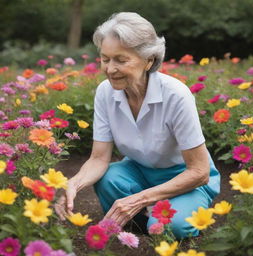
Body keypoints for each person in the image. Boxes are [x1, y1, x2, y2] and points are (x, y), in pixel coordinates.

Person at [55, 12, 220, 239]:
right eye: (105, 59)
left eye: (121, 60)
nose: (110, 69)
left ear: (149, 60)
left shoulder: (176, 95)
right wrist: (74, 184)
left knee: (175, 226)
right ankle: (143, 224)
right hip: (140, 171)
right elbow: (99, 158)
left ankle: (175, 211)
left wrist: (138, 199)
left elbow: (199, 172)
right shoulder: (105, 92)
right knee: (109, 179)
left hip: (185, 177)